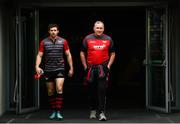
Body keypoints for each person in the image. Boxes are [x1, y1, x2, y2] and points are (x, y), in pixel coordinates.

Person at [35, 23, 74, 120]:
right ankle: (54, 111)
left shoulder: (63, 41)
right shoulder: (44, 42)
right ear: (49, 31)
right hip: (48, 69)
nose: (53, 32)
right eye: (51, 30)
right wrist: (37, 66)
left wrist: (71, 67)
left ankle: (59, 111)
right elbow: (39, 55)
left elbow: (68, 54)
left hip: (60, 68)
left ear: (58, 31)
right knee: (50, 91)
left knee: (59, 88)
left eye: (55, 30)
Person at [80, 21, 115, 121]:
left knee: (101, 90)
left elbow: (113, 53)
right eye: (97, 28)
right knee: (91, 91)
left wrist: (108, 66)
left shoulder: (108, 39)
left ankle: (101, 113)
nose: (99, 30)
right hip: (90, 68)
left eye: (101, 28)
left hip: (102, 69)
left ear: (103, 29)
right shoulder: (87, 38)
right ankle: (93, 110)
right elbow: (82, 53)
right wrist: (85, 66)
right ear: (93, 28)